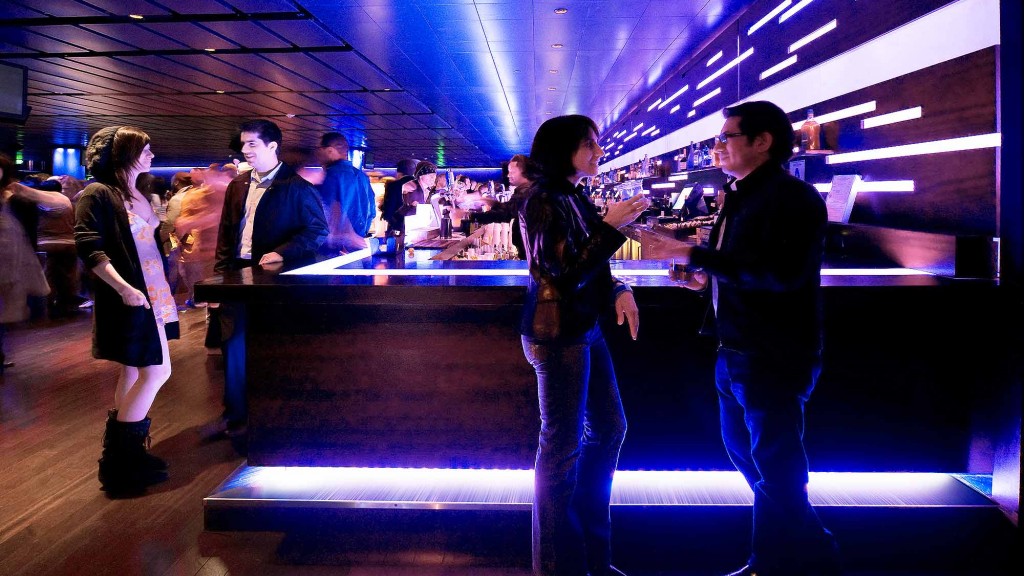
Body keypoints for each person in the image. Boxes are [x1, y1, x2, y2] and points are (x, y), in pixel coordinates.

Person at [664, 101, 838, 576]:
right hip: (734, 345)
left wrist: (696, 255)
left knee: (775, 459)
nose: (717, 147)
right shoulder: (738, 194)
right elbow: (739, 268)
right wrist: (704, 281)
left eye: (727, 137)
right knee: (748, 454)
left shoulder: (793, 199)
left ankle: (773, 562)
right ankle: (814, 550)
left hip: (773, 348)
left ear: (763, 142)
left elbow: (780, 275)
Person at [519, 114, 650, 576]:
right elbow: (562, 272)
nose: (599, 152)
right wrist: (611, 226)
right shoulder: (540, 200)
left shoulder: (571, 195)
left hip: (583, 328)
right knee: (560, 448)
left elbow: (589, 265)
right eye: (589, 145)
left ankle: (592, 553)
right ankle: (555, 566)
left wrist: (618, 289)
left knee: (610, 428)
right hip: (556, 335)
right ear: (563, 150)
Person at [73, 126, 178, 494]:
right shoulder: (98, 193)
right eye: (144, 150)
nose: (151, 156)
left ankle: (127, 455)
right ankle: (119, 460)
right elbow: (89, 247)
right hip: (131, 294)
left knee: (135, 370)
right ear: (123, 154)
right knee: (157, 371)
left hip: (153, 291)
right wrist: (123, 287)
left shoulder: (137, 193)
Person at [213, 119, 327, 439]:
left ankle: (277, 410)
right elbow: (226, 234)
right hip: (237, 273)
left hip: (271, 278)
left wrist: (283, 252)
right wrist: (220, 277)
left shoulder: (297, 186)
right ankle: (236, 415)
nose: (244, 150)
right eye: (243, 144)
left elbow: (317, 230)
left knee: (273, 343)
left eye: (251, 144)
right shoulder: (238, 184)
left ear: (272, 146)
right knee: (233, 344)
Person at [316, 132, 375, 255]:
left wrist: (345, 236)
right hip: (357, 246)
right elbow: (372, 212)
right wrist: (358, 236)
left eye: (320, 150)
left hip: (335, 250)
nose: (318, 154)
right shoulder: (363, 177)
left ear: (330, 151)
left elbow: (327, 211)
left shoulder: (331, 175)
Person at [380, 158, 418, 235]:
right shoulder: (419, 185)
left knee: (395, 245)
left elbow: (389, 207)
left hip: (397, 225)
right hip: (416, 226)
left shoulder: (393, 186)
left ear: (398, 172)